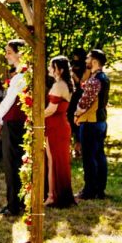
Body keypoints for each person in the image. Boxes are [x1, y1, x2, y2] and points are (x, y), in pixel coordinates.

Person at [0, 40, 29, 217]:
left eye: (9, 52)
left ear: (19, 54)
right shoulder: (25, 74)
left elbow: (8, 101)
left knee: (11, 164)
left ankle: (13, 205)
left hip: (14, 123)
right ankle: (19, 201)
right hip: (19, 122)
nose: (6, 55)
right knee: (17, 163)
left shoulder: (21, 76)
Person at [75, 48, 111, 200]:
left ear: (95, 61)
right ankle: (99, 189)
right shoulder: (104, 78)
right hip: (101, 122)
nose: (85, 60)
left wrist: (76, 114)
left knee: (89, 157)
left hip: (91, 122)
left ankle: (89, 190)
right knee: (99, 155)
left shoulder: (95, 79)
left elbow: (85, 102)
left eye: (88, 58)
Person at [46, 56, 77, 207]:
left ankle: (54, 196)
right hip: (57, 125)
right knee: (56, 161)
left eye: (52, 67)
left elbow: (51, 110)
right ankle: (57, 194)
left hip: (56, 127)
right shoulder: (61, 84)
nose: (49, 69)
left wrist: (34, 115)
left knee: (54, 161)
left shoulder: (59, 86)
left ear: (60, 70)